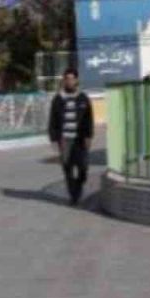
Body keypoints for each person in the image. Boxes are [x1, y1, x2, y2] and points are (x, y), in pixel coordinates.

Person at [48, 68, 93, 205]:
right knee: (67, 168)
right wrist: (54, 140)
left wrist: (88, 136)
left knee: (83, 168)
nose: (69, 81)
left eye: (72, 79)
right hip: (65, 140)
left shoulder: (83, 98)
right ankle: (74, 196)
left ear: (76, 80)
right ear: (64, 80)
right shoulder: (58, 99)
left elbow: (88, 119)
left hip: (79, 140)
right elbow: (53, 120)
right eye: (67, 79)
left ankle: (78, 186)